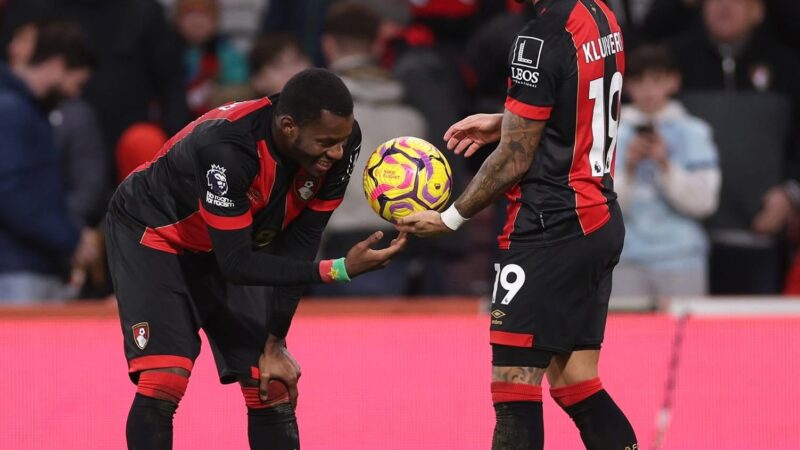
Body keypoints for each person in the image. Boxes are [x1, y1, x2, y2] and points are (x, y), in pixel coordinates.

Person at [105, 68, 406, 450]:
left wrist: (275, 341)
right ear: (288, 126)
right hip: (156, 235)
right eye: (327, 142)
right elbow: (237, 265)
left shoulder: (339, 143)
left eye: (343, 140)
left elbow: (303, 239)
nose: (338, 153)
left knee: (271, 380)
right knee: (164, 378)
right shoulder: (227, 149)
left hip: (233, 241)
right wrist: (340, 269)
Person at [396, 1, 637, 449]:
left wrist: (449, 218)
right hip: (597, 215)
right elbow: (578, 99)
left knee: (514, 393)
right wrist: (512, 121)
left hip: (548, 226)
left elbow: (513, 159)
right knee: (577, 386)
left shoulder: (538, 37)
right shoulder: (602, 15)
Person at [314, 1, 427, 296]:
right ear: (378, 45)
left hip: (334, 252)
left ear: (328, 44)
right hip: (398, 250)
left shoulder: (314, 114)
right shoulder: (411, 115)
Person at [613, 44, 721, 301]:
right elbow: (600, 212)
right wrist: (628, 169)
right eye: (640, 81)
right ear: (628, 86)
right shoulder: (611, 134)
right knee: (626, 341)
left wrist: (665, 166)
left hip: (682, 259)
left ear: (674, 81)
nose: (649, 91)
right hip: (626, 259)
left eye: (657, 80)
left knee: (688, 340)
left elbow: (705, 203)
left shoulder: (695, 132)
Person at [0, 19, 97, 303]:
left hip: (26, 265)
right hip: (16, 269)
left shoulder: (24, 110)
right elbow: (10, 192)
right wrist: (70, 238)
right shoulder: (11, 110)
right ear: (57, 64)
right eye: (76, 82)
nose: (75, 93)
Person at [173, 0, 248, 117]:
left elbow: (239, 85)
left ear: (215, 21)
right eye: (189, 15)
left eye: (204, 15)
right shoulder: (166, 51)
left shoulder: (226, 52)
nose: (197, 22)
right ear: (178, 20)